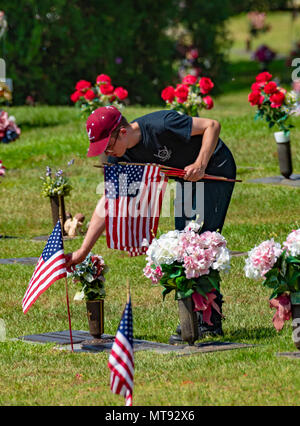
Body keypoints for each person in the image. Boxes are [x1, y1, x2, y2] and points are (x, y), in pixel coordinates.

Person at [66, 105, 236, 342]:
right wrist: (82, 251)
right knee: (182, 241)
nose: (107, 153)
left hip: (214, 168)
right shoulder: (121, 157)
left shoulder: (161, 124)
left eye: (107, 146)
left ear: (122, 132)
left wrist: (200, 163)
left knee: (202, 240)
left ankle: (209, 321)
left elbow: (212, 125)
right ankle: (196, 315)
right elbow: (108, 201)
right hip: (185, 178)